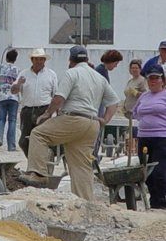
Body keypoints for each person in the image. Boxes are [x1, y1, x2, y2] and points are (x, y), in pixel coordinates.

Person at [20, 45, 119, 201]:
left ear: (71, 60)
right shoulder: (99, 77)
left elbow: (59, 98)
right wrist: (105, 120)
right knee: (81, 166)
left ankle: (38, 174)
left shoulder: (72, 73)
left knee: (38, 134)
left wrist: (47, 114)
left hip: (74, 118)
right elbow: (113, 103)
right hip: (92, 124)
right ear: (86, 59)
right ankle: (85, 203)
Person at [11, 48, 57, 157]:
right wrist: (19, 84)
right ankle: (33, 162)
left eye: (41, 59)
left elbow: (55, 95)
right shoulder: (24, 74)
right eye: (36, 59)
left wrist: (55, 112)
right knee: (24, 141)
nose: (39, 61)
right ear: (32, 60)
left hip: (44, 110)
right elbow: (13, 91)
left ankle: (45, 162)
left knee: (44, 139)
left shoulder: (51, 74)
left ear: (44, 60)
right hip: (27, 111)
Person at [133, 64, 166, 209]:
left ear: (162, 80)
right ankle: (154, 199)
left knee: (159, 171)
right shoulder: (144, 96)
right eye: (150, 78)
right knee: (146, 172)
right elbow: (135, 112)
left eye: (156, 78)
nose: (152, 81)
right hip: (144, 137)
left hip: (161, 137)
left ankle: (160, 200)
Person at [0, 49, 19, 152]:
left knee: (1, 119)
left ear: (6, 57)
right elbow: (20, 85)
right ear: (15, 59)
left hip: (1, 97)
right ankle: (11, 146)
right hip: (14, 98)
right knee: (12, 121)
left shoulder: (0, 68)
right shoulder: (17, 70)